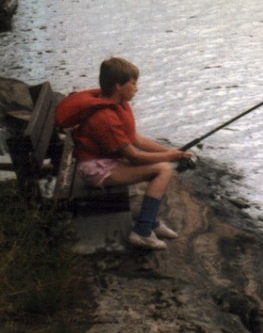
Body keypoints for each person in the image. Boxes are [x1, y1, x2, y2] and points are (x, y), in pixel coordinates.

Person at [55, 57, 193, 250]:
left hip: (105, 162)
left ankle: (150, 222)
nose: (137, 88)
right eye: (133, 83)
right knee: (163, 169)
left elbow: (137, 140)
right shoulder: (105, 117)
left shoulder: (118, 104)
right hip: (95, 170)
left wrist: (174, 152)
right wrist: (169, 157)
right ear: (118, 85)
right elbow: (134, 156)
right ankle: (143, 230)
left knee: (164, 165)